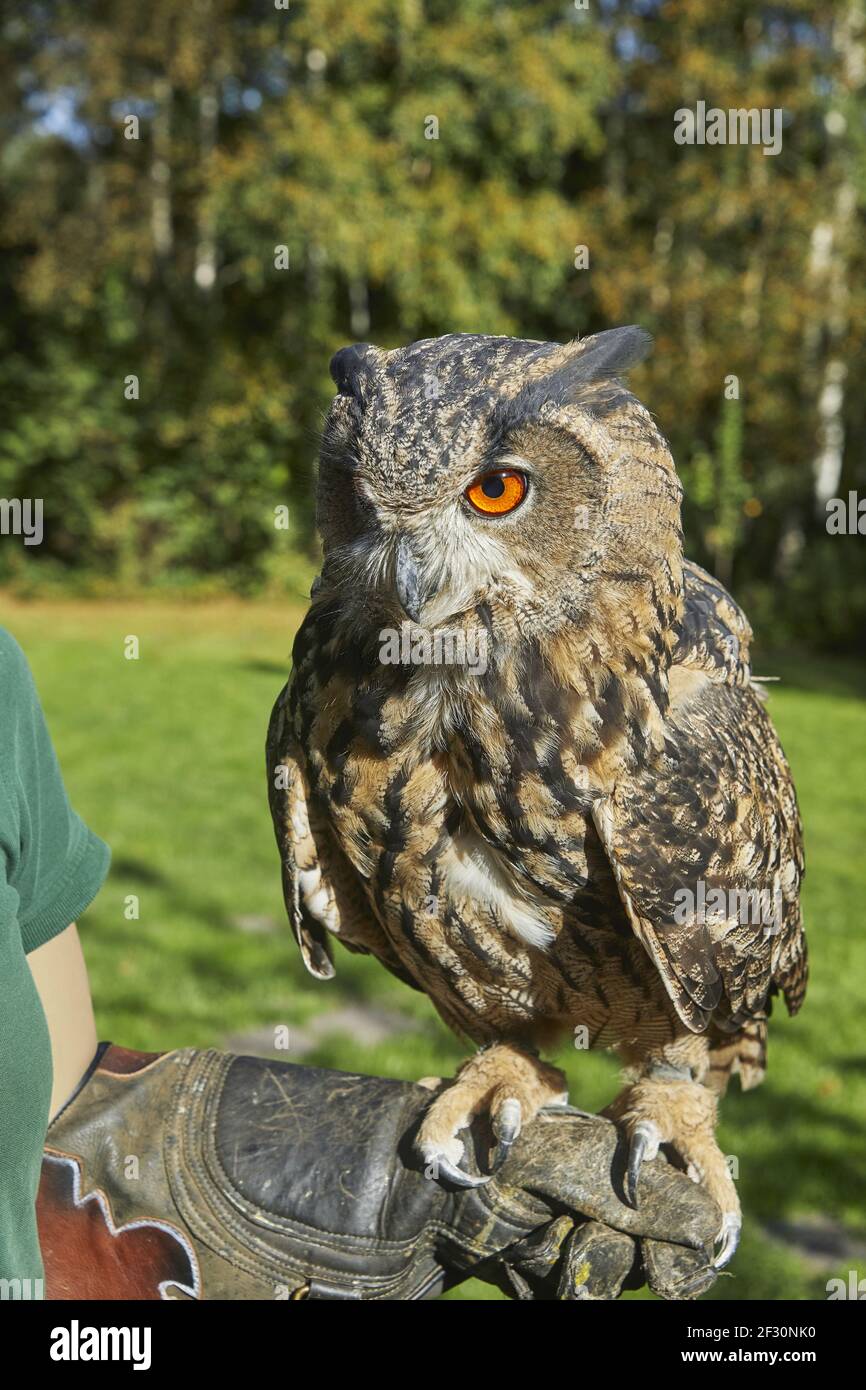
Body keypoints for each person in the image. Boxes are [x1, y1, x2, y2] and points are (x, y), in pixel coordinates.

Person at [0, 626, 720, 1300]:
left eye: (494, 489)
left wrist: (371, 1168)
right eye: (364, 493)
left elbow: (67, 1103)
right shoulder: (331, 698)